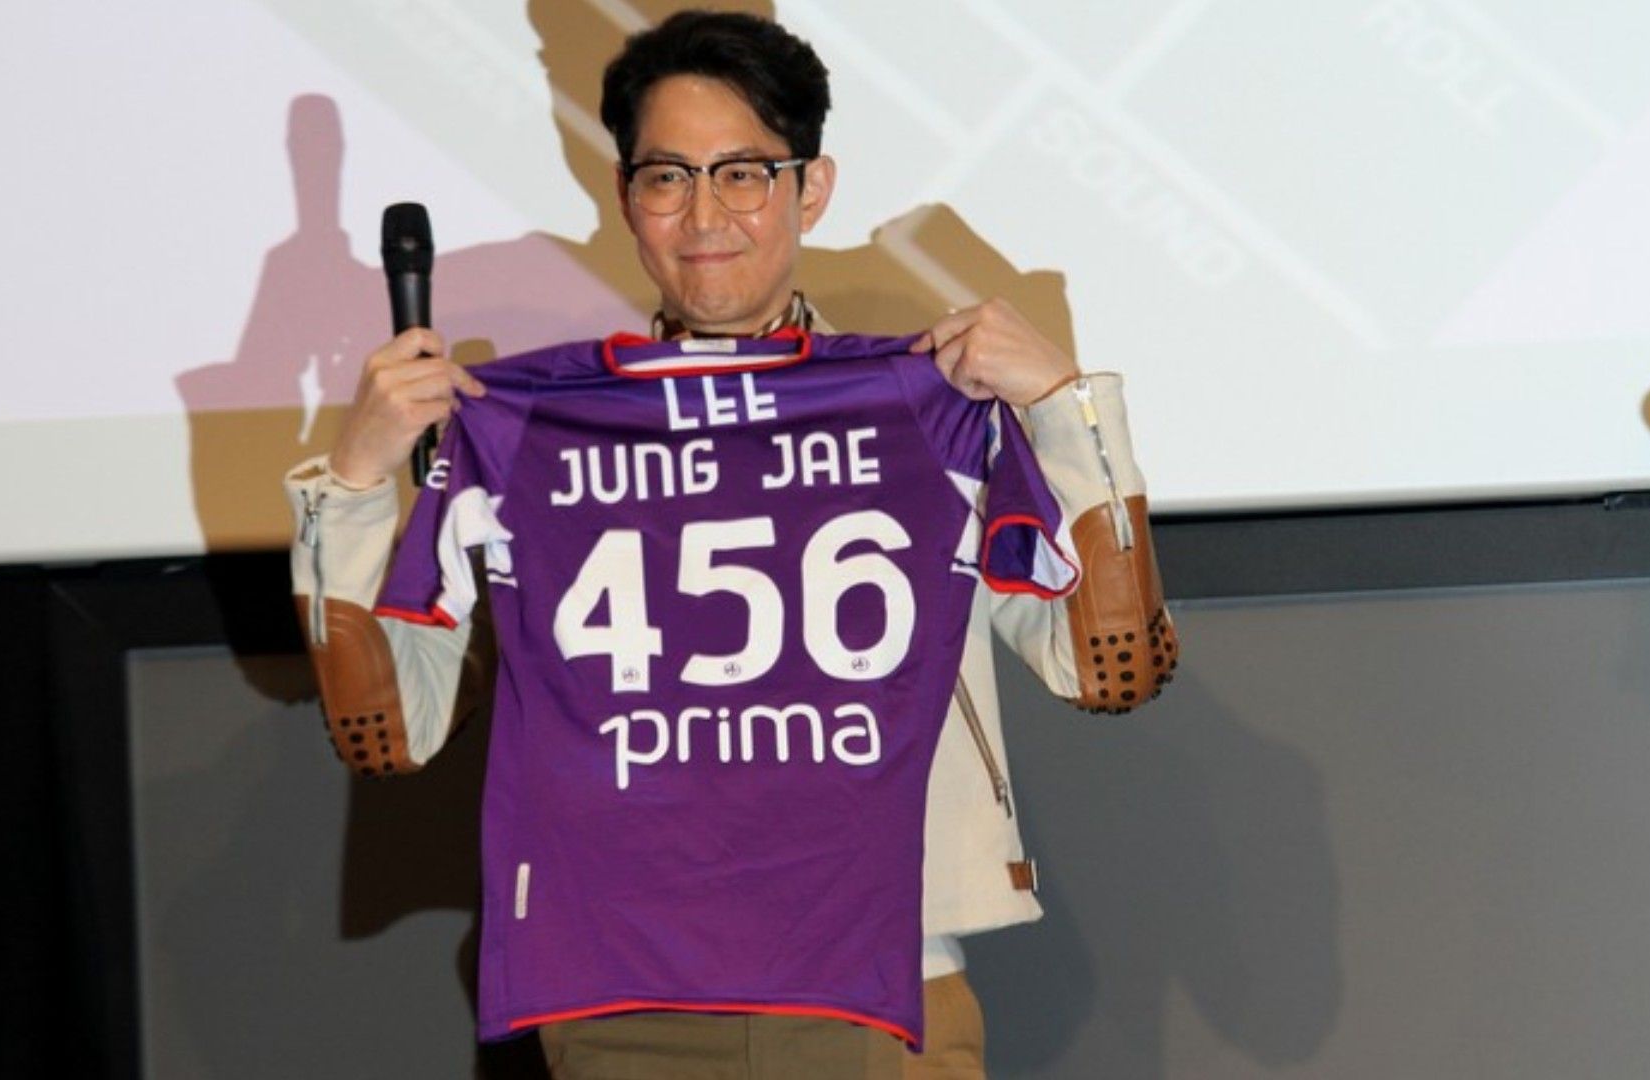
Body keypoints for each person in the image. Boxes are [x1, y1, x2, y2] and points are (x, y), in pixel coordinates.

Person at [285, 11, 1173, 1078]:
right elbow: (388, 733)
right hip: (624, 992)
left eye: (744, 174)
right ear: (628, 197)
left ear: (812, 188)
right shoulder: (539, 436)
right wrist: (353, 481)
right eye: (669, 176)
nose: (705, 214)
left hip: (880, 987)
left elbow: (1112, 668)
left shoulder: (928, 410)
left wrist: (1065, 405)